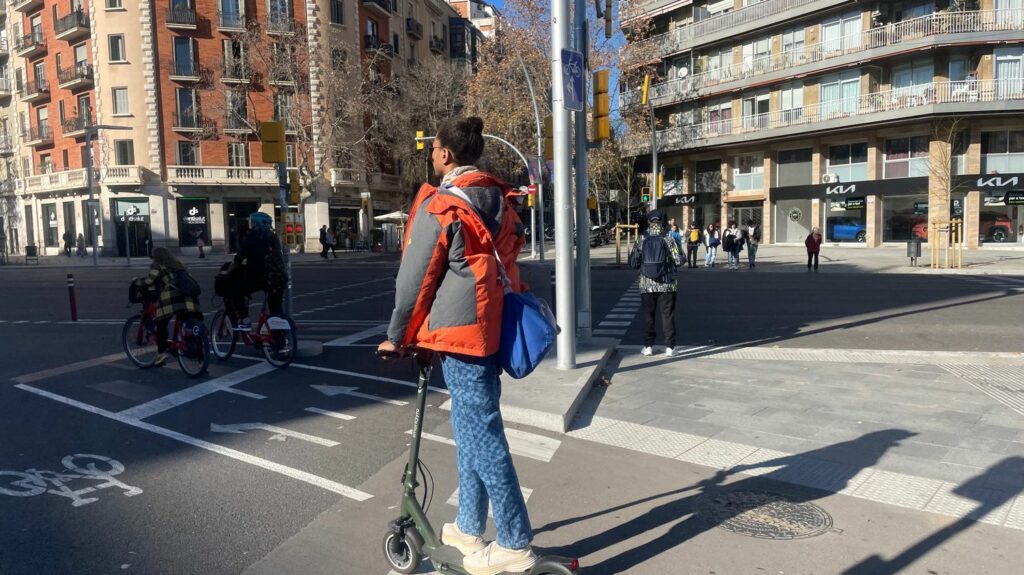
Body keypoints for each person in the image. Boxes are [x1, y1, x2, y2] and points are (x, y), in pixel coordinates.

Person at [378, 116, 535, 575]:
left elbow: (415, 281)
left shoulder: (443, 205)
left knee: (483, 436)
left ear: (446, 154)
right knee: (471, 431)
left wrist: (396, 337)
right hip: (488, 332)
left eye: (433, 149)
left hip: (460, 336)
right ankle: (468, 527)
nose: (430, 155)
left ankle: (514, 540)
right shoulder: (500, 202)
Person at [132, 248, 202, 366]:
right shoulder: (179, 265)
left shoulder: (158, 265)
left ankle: (161, 354)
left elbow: (149, 281)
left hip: (172, 299)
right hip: (189, 299)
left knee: (161, 324)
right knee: (189, 324)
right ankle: (200, 356)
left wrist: (136, 281)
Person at [223, 212, 287, 330]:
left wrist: (228, 272)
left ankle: (245, 320)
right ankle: (280, 336)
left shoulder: (251, 237)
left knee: (238, 291)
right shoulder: (273, 237)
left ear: (255, 223)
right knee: (276, 308)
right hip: (277, 277)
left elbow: (238, 259)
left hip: (258, 276)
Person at [631, 210, 682, 357]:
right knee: (668, 315)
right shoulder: (668, 236)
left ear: (649, 221)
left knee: (648, 315)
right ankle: (670, 348)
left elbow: (633, 262)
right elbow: (678, 260)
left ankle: (648, 347)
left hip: (646, 283)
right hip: (667, 283)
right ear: (662, 221)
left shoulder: (642, 237)